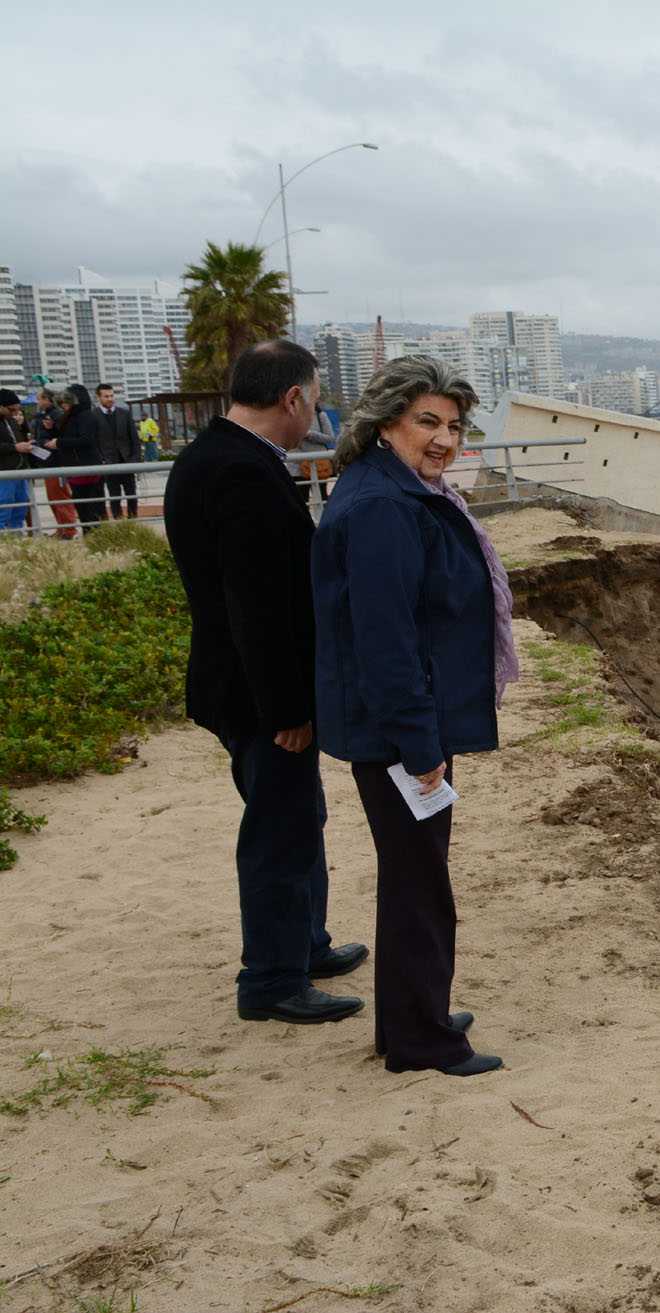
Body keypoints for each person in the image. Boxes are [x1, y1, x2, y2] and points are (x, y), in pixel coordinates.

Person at [313, 355, 514, 1077]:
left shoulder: (395, 489)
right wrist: (418, 744)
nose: (444, 439)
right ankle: (420, 1038)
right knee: (419, 883)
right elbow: (385, 640)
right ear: (384, 419)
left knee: (414, 876)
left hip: (406, 722)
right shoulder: (382, 506)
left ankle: (411, 1014)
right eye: (427, 421)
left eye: (455, 426)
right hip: (398, 729)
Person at [163, 340, 368, 1024]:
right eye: (314, 395)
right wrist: (285, 706)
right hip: (257, 692)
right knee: (279, 830)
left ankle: (304, 942)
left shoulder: (209, 458)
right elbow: (256, 604)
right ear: (293, 398)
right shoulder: (241, 474)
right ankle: (273, 979)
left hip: (239, 680)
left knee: (299, 816)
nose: (316, 407)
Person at [52, 385, 105, 531]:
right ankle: (91, 533)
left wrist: (59, 443)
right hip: (77, 465)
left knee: (86, 504)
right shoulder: (72, 417)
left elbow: (86, 440)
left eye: (66, 401)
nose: (63, 405)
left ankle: (93, 533)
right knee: (82, 504)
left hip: (85, 465)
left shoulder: (86, 416)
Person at [29, 388, 78, 538]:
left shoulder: (57, 415)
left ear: (47, 400)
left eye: (39, 399)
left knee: (61, 496)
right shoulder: (41, 416)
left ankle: (69, 529)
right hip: (47, 462)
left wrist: (52, 429)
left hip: (57, 462)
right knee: (53, 498)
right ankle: (61, 528)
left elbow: (64, 434)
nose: (37, 402)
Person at [94, 383, 140, 519]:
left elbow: (134, 439)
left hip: (127, 461)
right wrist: (101, 459)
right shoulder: (94, 416)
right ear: (99, 397)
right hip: (108, 463)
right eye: (106, 396)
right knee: (114, 495)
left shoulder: (124, 414)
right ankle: (118, 519)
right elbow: (94, 442)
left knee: (131, 493)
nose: (110, 399)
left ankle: (133, 519)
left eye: (112, 395)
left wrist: (135, 459)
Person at [0, 390, 31, 533]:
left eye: (17, 409)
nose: (14, 413)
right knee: (4, 508)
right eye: (11, 410)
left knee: (21, 507)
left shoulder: (12, 421)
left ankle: (17, 539)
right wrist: (15, 447)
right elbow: (14, 446)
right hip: (5, 473)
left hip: (20, 471)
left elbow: (17, 443)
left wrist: (28, 445)